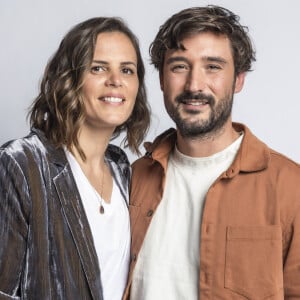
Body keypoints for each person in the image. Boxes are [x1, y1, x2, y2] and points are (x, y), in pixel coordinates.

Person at [124, 5, 300, 299]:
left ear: (239, 80)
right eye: (179, 66)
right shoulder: (132, 179)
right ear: (161, 80)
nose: (195, 85)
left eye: (213, 67)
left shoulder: (290, 187)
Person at [0, 17, 150, 300]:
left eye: (127, 70)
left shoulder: (122, 169)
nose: (116, 81)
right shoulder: (21, 164)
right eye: (98, 68)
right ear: (69, 79)